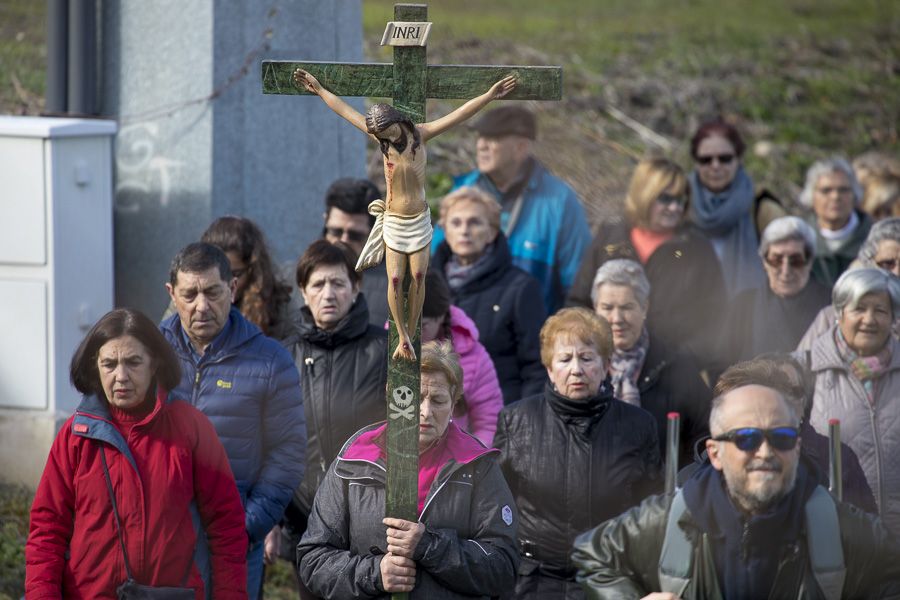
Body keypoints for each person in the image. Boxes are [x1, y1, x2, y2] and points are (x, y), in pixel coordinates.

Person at [572, 358, 900, 598]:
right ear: (714, 452)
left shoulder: (837, 526)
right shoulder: (671, 519)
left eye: (782, 437)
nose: (765, 451)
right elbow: (592, 554)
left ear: (797, 447)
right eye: (746, 438)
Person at [294, 68, 517, 360]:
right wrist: (320, 90)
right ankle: (402, 337)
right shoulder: (383, 142)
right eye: (378, 135)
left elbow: (459, 115)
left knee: (418, 276)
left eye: (385, 132)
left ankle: (411, 331)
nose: (382, 138)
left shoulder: (420, 136)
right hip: (395, 221)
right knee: (396, 280)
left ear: (396, 123)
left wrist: (489, 96)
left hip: (417, 220)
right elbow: (346, 111)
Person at [26, 309, 248, 598]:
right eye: (109, 364)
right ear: (96, 366)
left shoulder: (190, 427)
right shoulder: (75, 435)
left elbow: (227, 527)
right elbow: (47, 530)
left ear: (154, 363)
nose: (121, 376)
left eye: (133, 362)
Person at [296, 341, 519, 599]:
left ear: (454, 402)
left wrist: (428, 546)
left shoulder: (476, 464)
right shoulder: (354, 460)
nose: (425, 412)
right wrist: (376, 573)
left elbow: (503, 565)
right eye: (413, 397)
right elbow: (313, 559)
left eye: (438, 400)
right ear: (392, 394)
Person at [160, 242, 306, 599]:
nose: (202, 305)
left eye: (212, 291)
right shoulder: (148, 354)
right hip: (160, 536)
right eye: (189, 294)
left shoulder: (270, 360)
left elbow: (287, 452)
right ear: (171, 294)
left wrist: (247, 525)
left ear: (233, 289)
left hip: (233, 540)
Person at [494, 307, 661, 599]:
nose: (576, 369)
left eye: (586, 358)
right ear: (549, 368)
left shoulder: (639, 426)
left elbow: (652, 511)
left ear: (606, 364)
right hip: (532, 583)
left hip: (610, 581)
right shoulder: (516, 421)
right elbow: (496, 507)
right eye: (565, 359)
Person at [270, 240, 388, 588]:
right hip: (303, 523)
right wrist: (274, 523)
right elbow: (270, 444)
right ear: (303, 291)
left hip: (370, 524)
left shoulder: (384, 351)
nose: (328, 293)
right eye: (318, 284)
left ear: (356, 287)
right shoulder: (281, 358)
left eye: (338, 283)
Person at [567, 157, 726, 370]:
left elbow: (716, 320)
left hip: (671, 374)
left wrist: (681, 363)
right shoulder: (610, 236)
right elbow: (578, 303)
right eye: (666, 199)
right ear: (645, 195)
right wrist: (592, 352)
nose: (674, 207)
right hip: (607, 369)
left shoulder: (697, 249)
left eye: (681, 200)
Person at [433, 105, 592, 313]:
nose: (481, 146)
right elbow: (434, 263)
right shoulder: (462, 191)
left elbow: (578, 286)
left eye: (493, 139)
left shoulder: (560, 202)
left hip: (534, 335)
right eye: (480, 138)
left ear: (521, 147)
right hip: (463, 333)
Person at [430, 185, 546, 404]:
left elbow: (536, 368)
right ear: (444, 230)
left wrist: (523, 425)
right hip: (433, 415)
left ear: (492, 232)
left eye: (474, 222)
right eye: (456, 223)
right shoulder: (424, 283)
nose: (464, 230)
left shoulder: (521, 288)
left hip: (500, 416)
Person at [591, 259, 711, 467]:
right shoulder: (579, 367)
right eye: (607, 308)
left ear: (644, 307)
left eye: (627, 307)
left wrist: (680, 484)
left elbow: (705, 435)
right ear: (595, 309)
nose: (617, 318)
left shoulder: (677, 366)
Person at [807, 268, 900, 534]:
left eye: (880, 310)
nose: (869, 320)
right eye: (859, 309)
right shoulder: (809, 369)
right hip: (839, 535)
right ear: (839, 313)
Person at [162, 215, 301, 347]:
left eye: (234, 274)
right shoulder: (188, 300)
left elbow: (296, 355)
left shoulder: (279, 303)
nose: (226, 283)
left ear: (253, 270)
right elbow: (160, 349)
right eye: (217, 276)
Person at [687, 119, 777, 298]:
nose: (715, 166)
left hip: (750, 313)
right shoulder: (678, 204)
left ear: (739, 159)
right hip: (690, 310)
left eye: (725, 158)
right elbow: (672, 255)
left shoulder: (761, 208)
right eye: (706, 160)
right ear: (695, 162)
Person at [722, 216, 830, 364]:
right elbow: (721, 365)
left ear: (809, 261)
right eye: (776, 260)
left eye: (796, 261)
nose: (786, 271)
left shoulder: (830, 304)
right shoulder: (744, 304)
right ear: (764, 262)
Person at [421, 270, 504, 445]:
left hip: (452, 459)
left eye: (422, 326)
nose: (412, 334)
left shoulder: (475, 357)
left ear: (442, 316)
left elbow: (488, 423)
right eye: (406, 324)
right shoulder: (383, 349)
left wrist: (467, 462)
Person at [797, 217, 900, 350]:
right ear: (868, 264)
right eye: (887, 264)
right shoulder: (832, 318)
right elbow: (800, 366)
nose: (896, 273)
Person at [320, 177, 391, 327]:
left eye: (355, 235)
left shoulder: (396, 285)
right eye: (335, 231)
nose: (343, 240)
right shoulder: (295, 276)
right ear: (325, 221)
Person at [801, 157, 872, 289]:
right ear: (811, 196)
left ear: (855, 194)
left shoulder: (875, 239)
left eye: (843, 190)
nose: (835, 197)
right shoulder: (798, 240)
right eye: (826, 190)